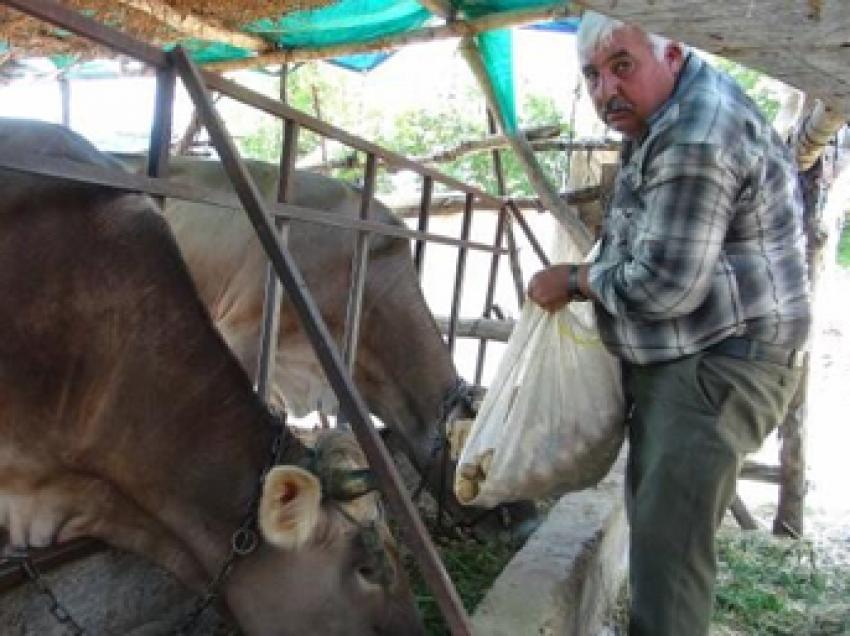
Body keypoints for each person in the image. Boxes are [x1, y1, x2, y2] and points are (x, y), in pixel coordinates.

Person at [527, 11, 811, 636]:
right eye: (593, 76)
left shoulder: (696, 136)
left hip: (719, 363)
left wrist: (573, 281)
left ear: (673, 52)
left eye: (622, 66)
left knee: (670, 558)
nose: (606, 91)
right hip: (699, 356)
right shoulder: (663, 118)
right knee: (660, 527)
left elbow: (664, 285)